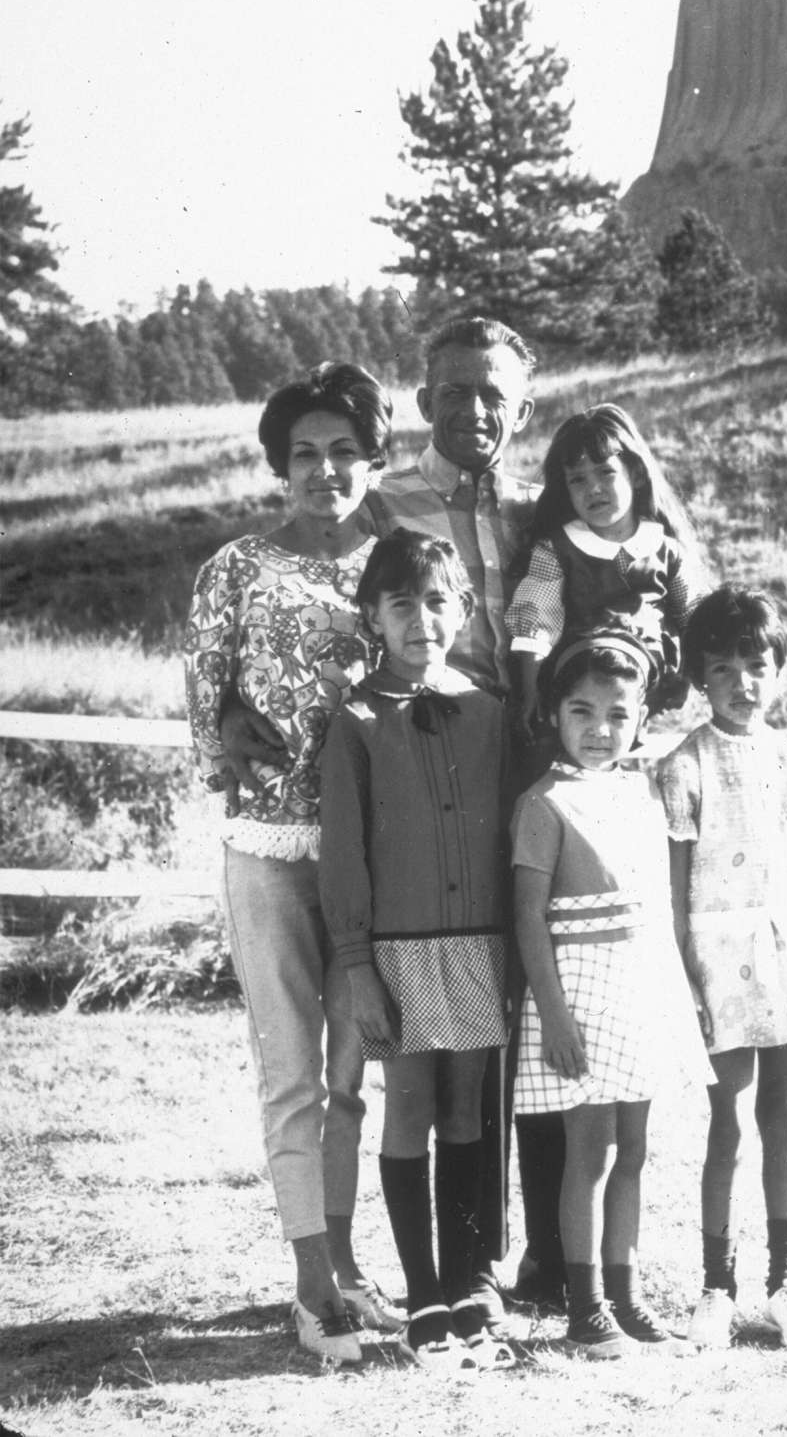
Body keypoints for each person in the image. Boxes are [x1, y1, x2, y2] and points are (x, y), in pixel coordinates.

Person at [214, 316, 562, 1311]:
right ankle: (443, 1270)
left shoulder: (548, 510)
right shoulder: (385, 503)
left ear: (522, 405)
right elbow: (305, 587)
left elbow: (633, 591)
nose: (474, 410)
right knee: (425, 1051)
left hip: (516, 772)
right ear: (423, 400)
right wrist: (240, 698)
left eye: (494, 392)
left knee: (512, 1029)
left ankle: (518, 1261)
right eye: (453, 390)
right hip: (402, 782)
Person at [183, 361, 401, 1364]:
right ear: (281, 464)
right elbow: (205, 712)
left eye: (344, 452)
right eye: (305, 454)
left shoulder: (400, 564)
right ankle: (311, 1290)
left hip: (373, 854)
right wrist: (228, 723)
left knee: (356, 1071)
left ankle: (352, 1269)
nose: (325, 470)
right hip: (270, 850)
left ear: (372, 460)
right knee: (292, 1073)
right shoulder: (233, 568)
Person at [318, 530, 515, 1373]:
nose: (421, 620)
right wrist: (357, 962)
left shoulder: (489, 711)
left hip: (479, 943)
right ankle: (424, 1288)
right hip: (395, 949)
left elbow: (512, 832)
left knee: (467, 1107)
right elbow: (343, 852)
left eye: (438, 602)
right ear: (373, 615)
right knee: (408, 1108)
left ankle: (472, 1279)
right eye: (402, 604)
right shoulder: (358, 722)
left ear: (462, 611)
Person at [512, 629, 711, 1359]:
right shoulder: (543, 802)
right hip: (581, 997)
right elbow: (528, 917)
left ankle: (626, 1295)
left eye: (617, 714)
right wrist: (555, 1016)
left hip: (639, 990)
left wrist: (675, 991)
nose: (600, 729)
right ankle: (585, 1305)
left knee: (635, 1148)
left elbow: (658, 904)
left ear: (640, 718)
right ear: (555, 714)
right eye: (581, 711)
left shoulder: (640, 789)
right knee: (587, 1153)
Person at [657, 587, 787, 1351]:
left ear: (778, 669)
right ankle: (715, 1287)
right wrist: (684, 985)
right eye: (723, 668)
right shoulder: (682, 766)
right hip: (717, 964)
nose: (742, 682)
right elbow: (672, 891)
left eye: (756, 665)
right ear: (701, 676)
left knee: (782, 1116)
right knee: (727, 1121)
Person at [505, 403, 706, 729]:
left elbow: (695, 619)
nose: (593, 488)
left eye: (605, 472)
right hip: (585, 703)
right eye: (578, 480)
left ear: (636, 473)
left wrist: (690, 676)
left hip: (654, 701)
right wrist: (531, 694)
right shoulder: (557, 550)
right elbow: (536, 625)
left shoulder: (665, 550)